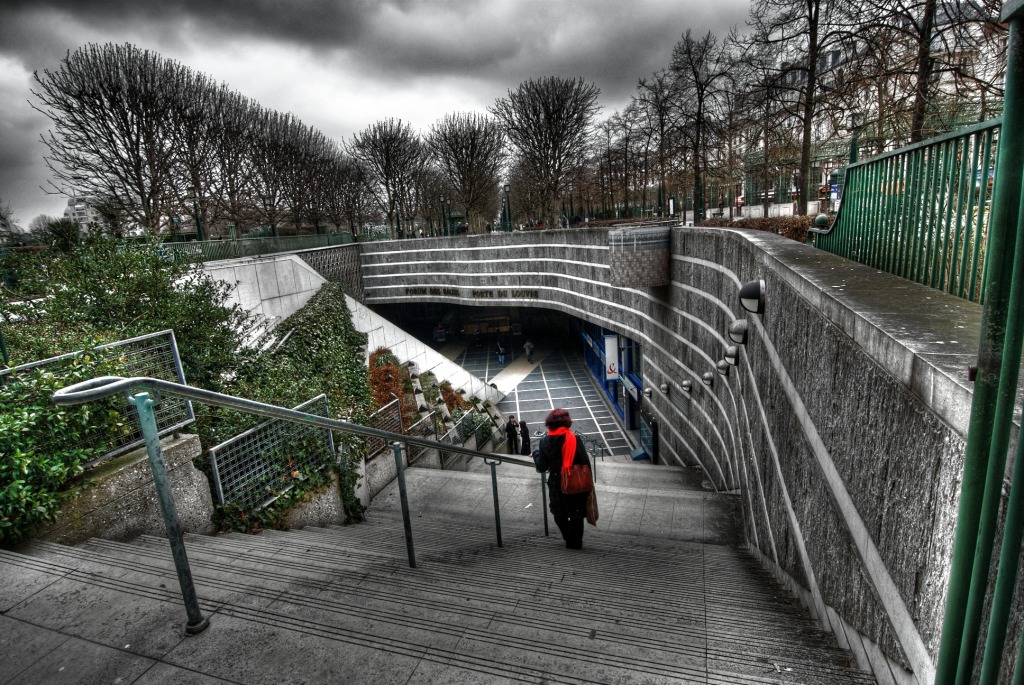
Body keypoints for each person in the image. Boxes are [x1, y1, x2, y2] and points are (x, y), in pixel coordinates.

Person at [534, 408, 592, 549]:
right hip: (574, 482)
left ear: (549, 423)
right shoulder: (574, 439)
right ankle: (574, 543)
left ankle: (569, 538)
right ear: (567, 422)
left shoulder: (544, 442)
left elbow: (541, 467)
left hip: (556, 483)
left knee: (559, 512)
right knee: (576, 513)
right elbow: (585, 462)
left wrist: (536, 454)